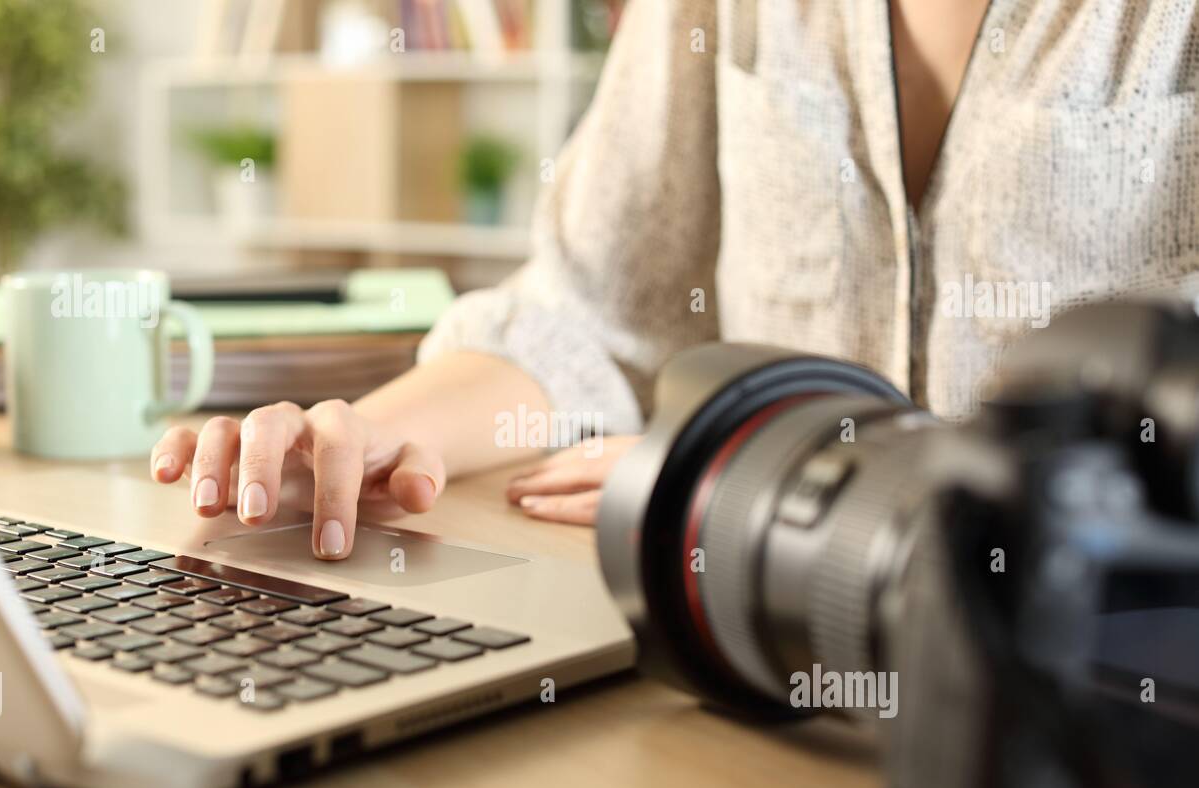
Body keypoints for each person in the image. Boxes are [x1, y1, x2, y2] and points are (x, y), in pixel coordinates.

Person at [148, 0, 1199, 558]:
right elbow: (591, 310)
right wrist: (365, 441)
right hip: (754, 646)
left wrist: (762, 472)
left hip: (1101, 690)